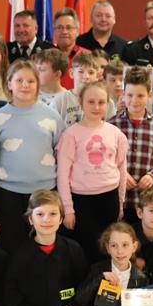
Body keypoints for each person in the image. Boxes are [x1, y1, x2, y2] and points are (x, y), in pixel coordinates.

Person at [0, 60, 65, 255]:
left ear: (38, 84)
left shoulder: (52, 116)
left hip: (44, 191)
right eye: (19, 80)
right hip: (7, 192)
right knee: (10, 245)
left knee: (43, 244)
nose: (25, 85)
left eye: (30, 81)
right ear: (9, 84)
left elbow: (60, 151)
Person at [57, 81, 128, 257]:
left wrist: (120, 203)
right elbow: (62, 175)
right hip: (81, 202)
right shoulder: (70, 135)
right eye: (91, 102)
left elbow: (121, 169)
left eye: (101, 102)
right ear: (81, 102)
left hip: (109, 199)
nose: (96, 107)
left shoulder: (116, 134)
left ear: (108, 103)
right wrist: (68, 209)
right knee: (85, 250)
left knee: (107, 249)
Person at [111, 68, 153, 225]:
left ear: (149, 95)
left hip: (146, 202)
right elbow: (105, 159)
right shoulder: (112, 124)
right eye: (130, 95)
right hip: (119, 199)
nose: (134, 100)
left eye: (140, 95)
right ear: (123, 94)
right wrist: (120, 173)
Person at [34, 48, 80, 125]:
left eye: (41, 70)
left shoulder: (68, 99)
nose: (36, 73)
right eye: (35, 69)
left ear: (57, 74)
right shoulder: (29, 94)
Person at [51, 8, 88, 89]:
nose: (64, 32)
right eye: (59, 27)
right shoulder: (46, 58)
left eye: (68, 27)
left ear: (77, 31)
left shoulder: (89, 56)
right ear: (54, 31)